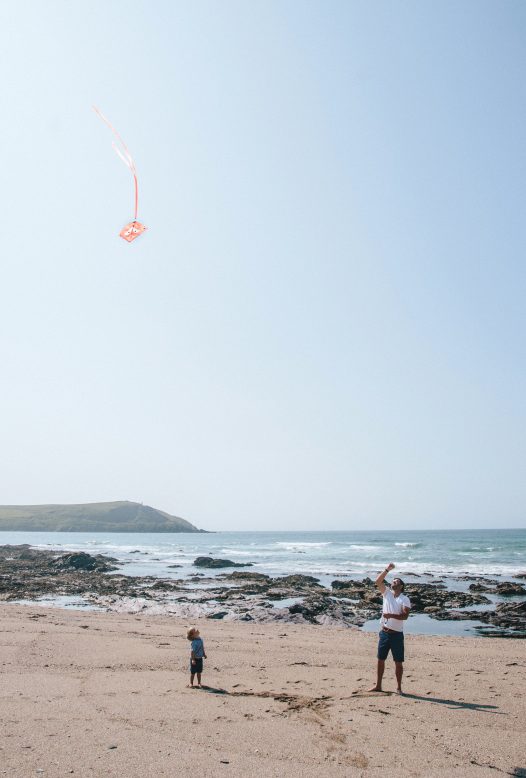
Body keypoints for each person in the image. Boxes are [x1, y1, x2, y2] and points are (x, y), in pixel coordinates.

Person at [369, 562, 411, 695]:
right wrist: (387, 569)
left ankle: (398, 688)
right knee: (380, 660)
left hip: (397, 635)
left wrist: (390, 615)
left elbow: (405, 616)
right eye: (393, 581)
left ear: (401, 586)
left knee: (398, 662)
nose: (393, 582)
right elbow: (378, 581)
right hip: (384, 633)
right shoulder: (386, 593)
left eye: (396, 581)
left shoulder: (404, 599)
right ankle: (378, 685)